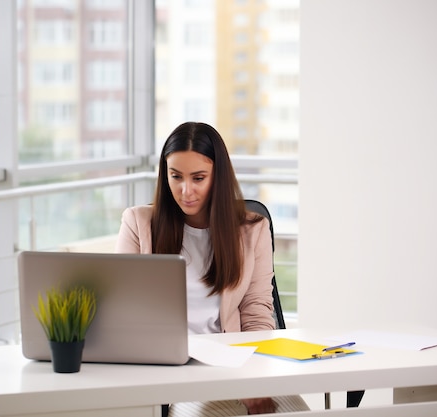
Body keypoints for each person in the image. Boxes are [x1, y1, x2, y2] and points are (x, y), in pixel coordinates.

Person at [115, 122, 309, 416]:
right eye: (176, 176)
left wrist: (254, 380)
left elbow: (257, 311)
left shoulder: (252, 230)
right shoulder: (139, 224)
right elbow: (124, 309)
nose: (185, 190)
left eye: (199, 178)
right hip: (172, 373)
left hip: (233, 364)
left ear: (218, 177)